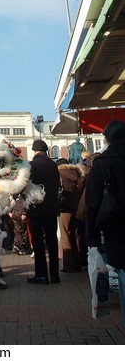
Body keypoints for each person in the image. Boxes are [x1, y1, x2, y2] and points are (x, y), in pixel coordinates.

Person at [85, 120, 125, 326]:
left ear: (106, 139)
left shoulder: (101, 164)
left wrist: (90, 236)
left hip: (116, 227)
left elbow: (91, 204)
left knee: (123, 271)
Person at [26, 139, 60, 285]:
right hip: (52, 208)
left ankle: (41, 275)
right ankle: (55, 275)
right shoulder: (53, 165)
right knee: (52, 241)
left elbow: (24, 185)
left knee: (38, 242)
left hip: (36, 209)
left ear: (34, 151)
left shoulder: (32, 165)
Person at [56, 157, 84, 272]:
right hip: (76, 206)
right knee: (76, 234)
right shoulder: (76, 172)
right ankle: (78, 262)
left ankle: (68, 265)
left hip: (64, 207)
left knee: (65, 234)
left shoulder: (59, 173)